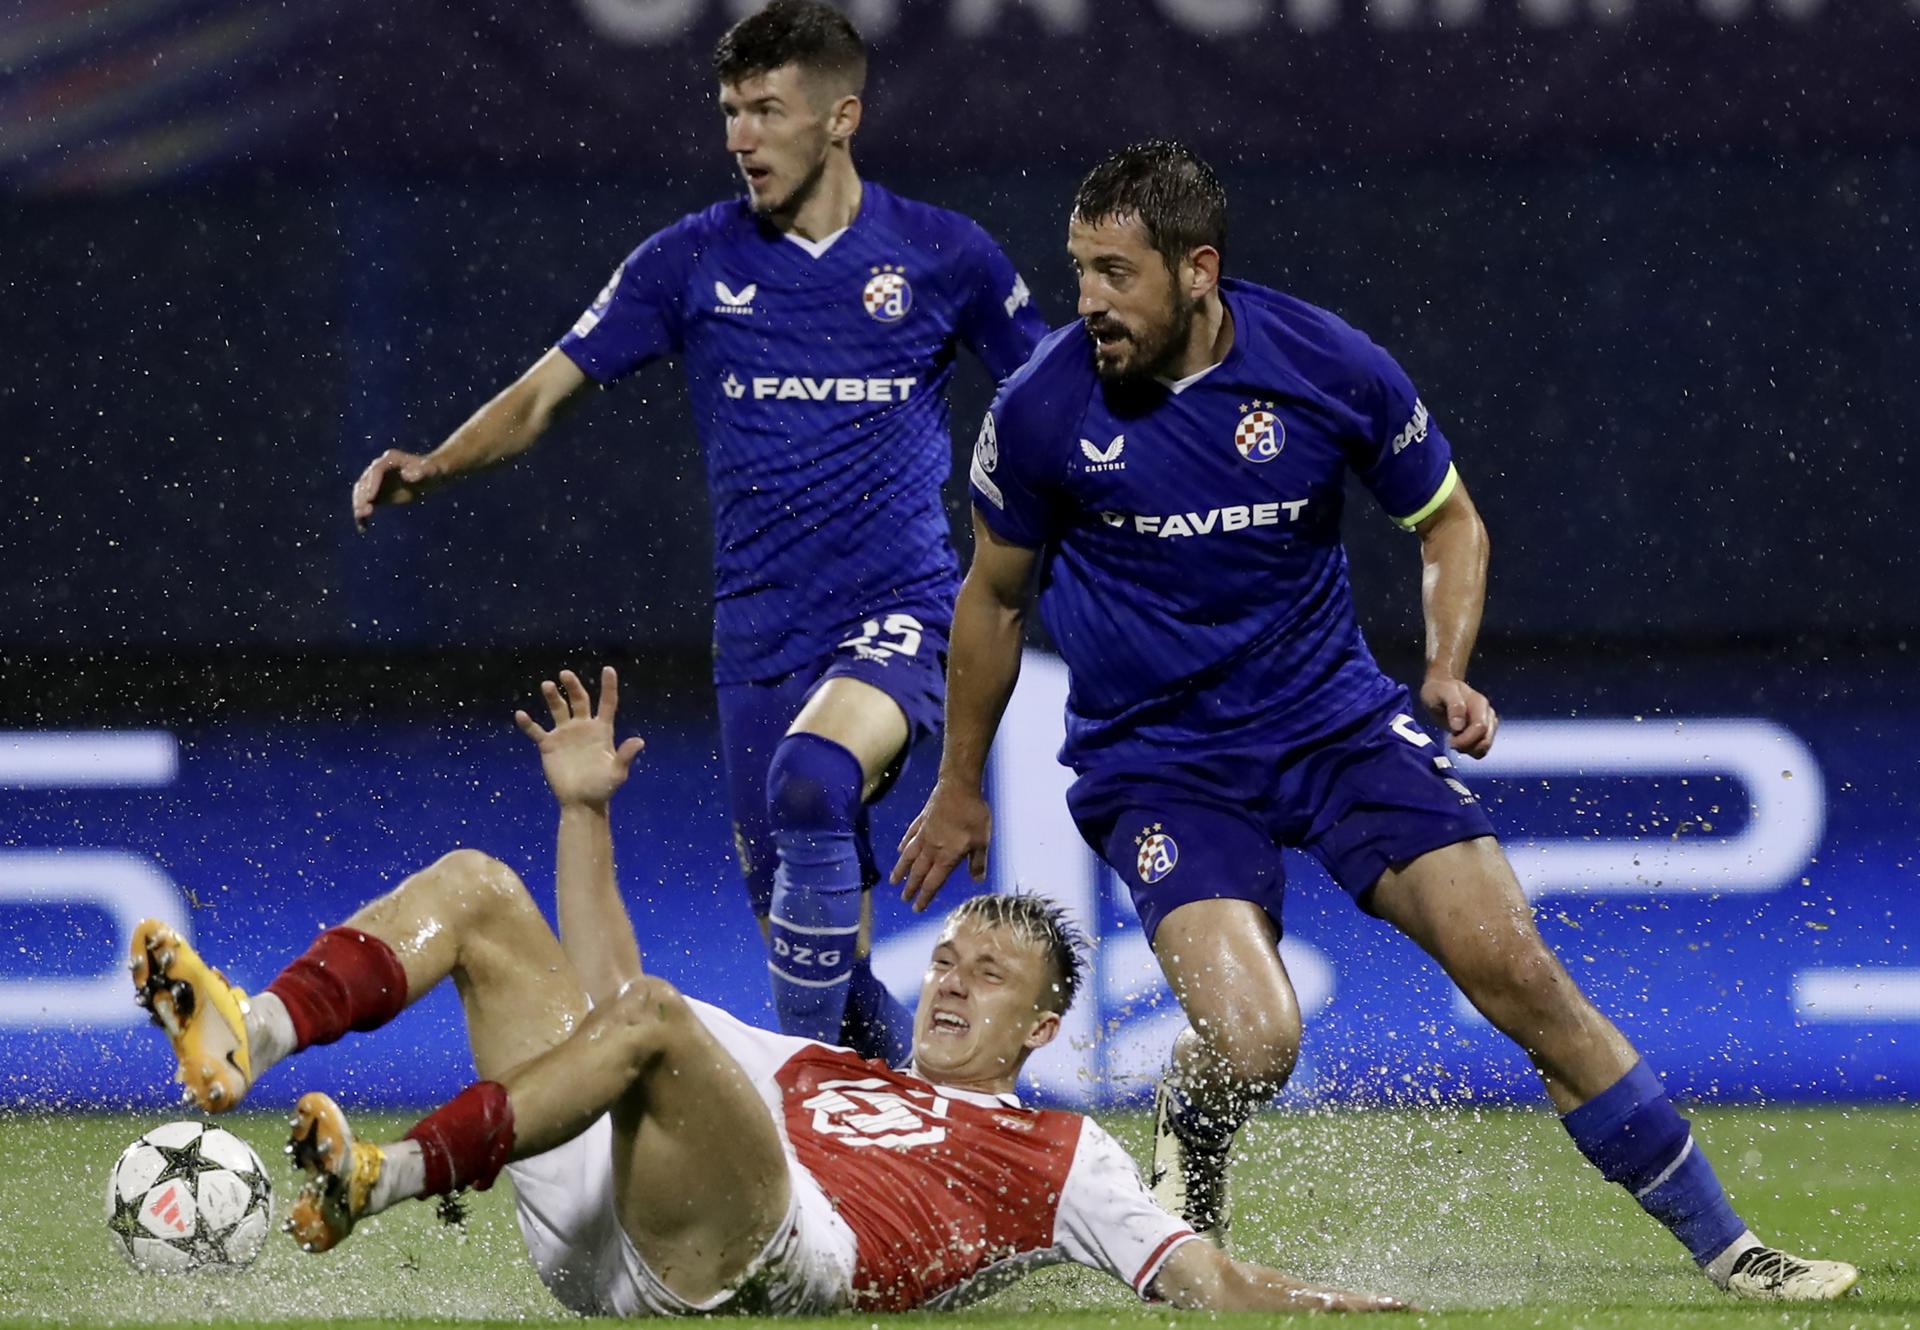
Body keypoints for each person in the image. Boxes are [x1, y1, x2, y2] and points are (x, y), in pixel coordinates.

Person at [891, 141, 1859, 1303]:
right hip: (1160, 766)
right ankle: (1195, 1129)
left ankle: (1730, 1248)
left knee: (1519, 970)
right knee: (1254, 1042)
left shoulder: (1326, 363)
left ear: (1198, 270)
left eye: (1115, 273)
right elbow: (993, 598)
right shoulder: (1044, 408)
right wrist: (960, 783)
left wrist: (1446, 669)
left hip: (1336, 729)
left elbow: (1450, 525)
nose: (1089, 301)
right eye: (1079, 271)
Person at [129, 667, 1398, 1316]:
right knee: (477, 888)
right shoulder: (828, 1070)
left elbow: (1199, 1280)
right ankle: (255, 1026)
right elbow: (610, 1004)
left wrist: (1340, 1304)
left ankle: (390, 1177)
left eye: (990, 973)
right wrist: (583, 816)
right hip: (605, 1204)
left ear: (1045, 1024)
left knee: (665, 1021)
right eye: (947, 957)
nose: (951, 980)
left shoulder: (1066, 1155)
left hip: (755, 1257)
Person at [348, 1, 1047, 1061]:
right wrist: (436, 463)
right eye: (730, 110)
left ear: (841, 117)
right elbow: (546, 394)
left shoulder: (946, 257)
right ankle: (924, 1124)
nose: (740, 137)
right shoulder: (689, 263)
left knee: (814, 777)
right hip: (759, 645)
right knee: (821, 967)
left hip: (900, 616)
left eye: (766, 109)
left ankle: (793, 1112)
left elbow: (1053, 401)